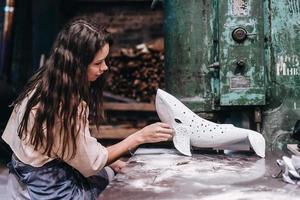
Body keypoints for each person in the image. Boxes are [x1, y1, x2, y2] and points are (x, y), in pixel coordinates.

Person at [2, 17, 173, 200]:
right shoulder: (65, 104)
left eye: (105, 61)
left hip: (27, 174)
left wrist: (111, 162)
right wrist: (140, 137)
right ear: (76, 64)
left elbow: (72, 147)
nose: (105, 68)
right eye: (98, 63)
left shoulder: (44, 82)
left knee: (107, 172)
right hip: (46, 188)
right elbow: (91, 162)